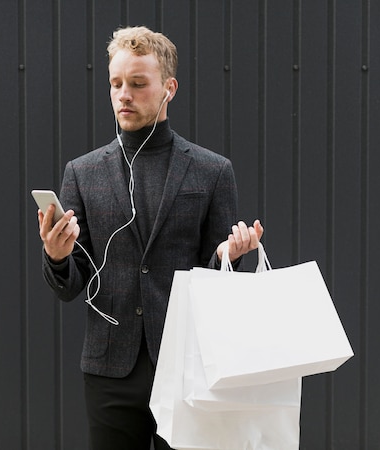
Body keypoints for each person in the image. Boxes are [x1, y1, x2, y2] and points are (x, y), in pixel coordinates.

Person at [37, 26, 263, 450]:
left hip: (188, 367)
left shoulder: (212, 171)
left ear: (168, 89)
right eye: (116, 83)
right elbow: (69, 286)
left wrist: (230, 255)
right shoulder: (82, 173)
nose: (124, 94)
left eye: (138, 84)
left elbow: (227, 280)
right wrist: (56, 256)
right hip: (109, 370)